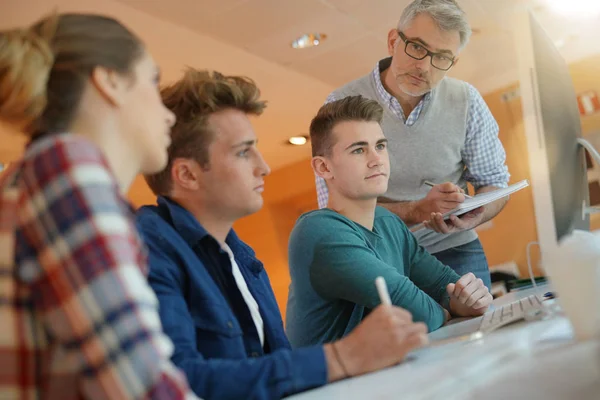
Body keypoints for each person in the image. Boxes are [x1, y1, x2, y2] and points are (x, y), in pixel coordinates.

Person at [136, 69, 429, 400]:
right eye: (244, 152)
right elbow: (176, 383)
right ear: (187, 174)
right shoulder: (146, 252)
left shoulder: (243, 258)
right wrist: (343, 357)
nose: (264, 166)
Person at [0, 14, 197, 399]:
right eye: (153, 81)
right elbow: (141, 385)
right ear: (109, 81)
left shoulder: (35, 177)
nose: (169, 113)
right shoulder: (66, 169)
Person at [314, 0, 511, 289]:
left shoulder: (466, 101)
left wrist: (474, 213)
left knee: (477, 331)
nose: (424, 67)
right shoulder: (341, 105)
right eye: (417, 47)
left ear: (452, 63)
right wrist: (415, 210)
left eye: (441, 57)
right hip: (381, 256)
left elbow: (495, 183)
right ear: (393, 41)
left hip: (456, 250)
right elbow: (334, 208)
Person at [286, 95, 493, 347]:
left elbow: (445, 286)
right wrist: (451, 309)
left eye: (380, 146)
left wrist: (465, 298)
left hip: (385, 374)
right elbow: (418, 314)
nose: (376, 159)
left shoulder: (387, 222)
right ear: (323, 168)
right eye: (359, 150)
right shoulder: (318, 231)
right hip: (333, 384)